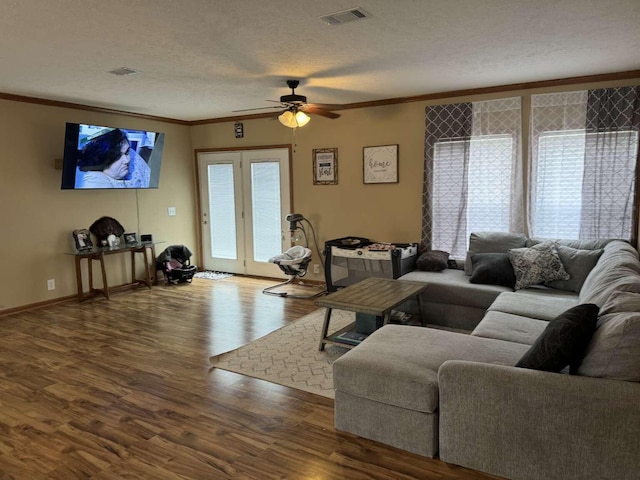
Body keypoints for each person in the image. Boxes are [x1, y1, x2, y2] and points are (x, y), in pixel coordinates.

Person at [76, 128, 149, 188]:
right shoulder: (96, 181)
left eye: (127, 152)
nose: (127, 160)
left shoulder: (133, 158)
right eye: (117, 156)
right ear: (100, 160)